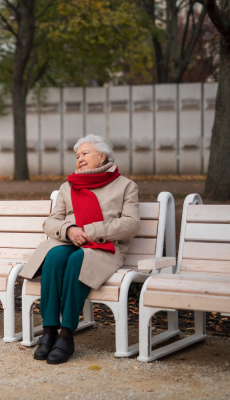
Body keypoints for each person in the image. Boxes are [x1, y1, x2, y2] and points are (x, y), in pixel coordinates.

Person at [20, 134, 140, 365]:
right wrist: (69, 229)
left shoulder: (126, 186)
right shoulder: (69, 186)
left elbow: (131, 224)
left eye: (85, 153)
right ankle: (49, 330)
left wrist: (91, 231)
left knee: (79, 260)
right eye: (77, 156)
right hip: (70, 241)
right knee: (54, 256)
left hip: (106, 246)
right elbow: (51, 221)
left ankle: (66, 334)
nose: (79, 159)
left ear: (102, 156)